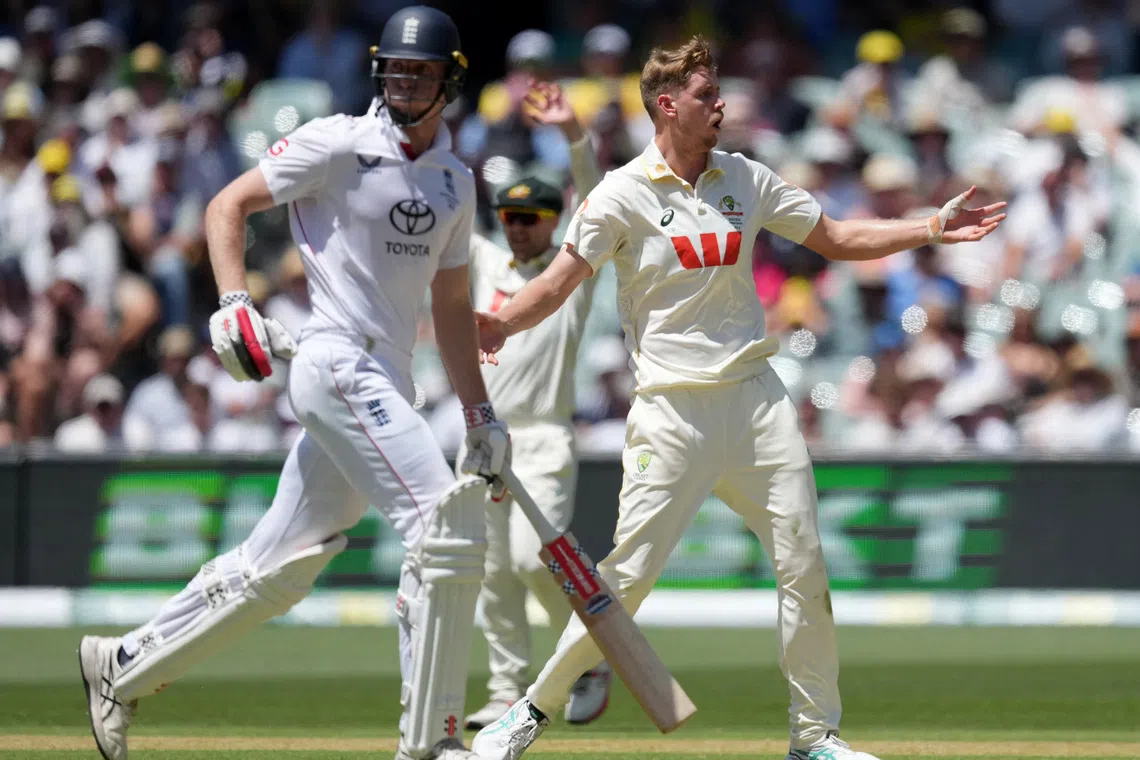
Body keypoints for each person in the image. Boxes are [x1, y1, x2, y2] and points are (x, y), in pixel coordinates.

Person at [471, 36, 1005, 760]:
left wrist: (932, 226)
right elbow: (559, 282)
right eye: (704, 95)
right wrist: (501, 321)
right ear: (667, 105)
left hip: (756, 401)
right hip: (671, 410)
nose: (721, 103)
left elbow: (839, 237)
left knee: (804, 564)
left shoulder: (745, 178)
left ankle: (814, 737)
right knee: (624, 578)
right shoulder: (621, 194)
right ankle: (526, 714)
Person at [79, 8, 509, 760]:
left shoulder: (454, 180)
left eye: (422, 71)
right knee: (443, 528)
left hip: (391, 381)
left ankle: (121, 666)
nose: (405, 83)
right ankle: (434, 744)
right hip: (336, 364)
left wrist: (480, 416)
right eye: (396, 69)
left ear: (451, 79)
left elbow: (448, 310)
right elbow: (227, 206)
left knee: (273, 572)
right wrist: (234, 300)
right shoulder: (339, 142)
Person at [460, 81, 612, 731]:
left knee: (533, 557)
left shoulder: (569, 276)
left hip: (545, 437)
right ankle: (503, 689)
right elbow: (441, 219)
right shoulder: (486, 261)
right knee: (491, 571)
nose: (518, 228)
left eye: (531, 218)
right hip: (484, 436)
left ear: (554, 222)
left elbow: (595, 196)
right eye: (510, 217)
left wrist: (574, 134)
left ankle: (586, 655)